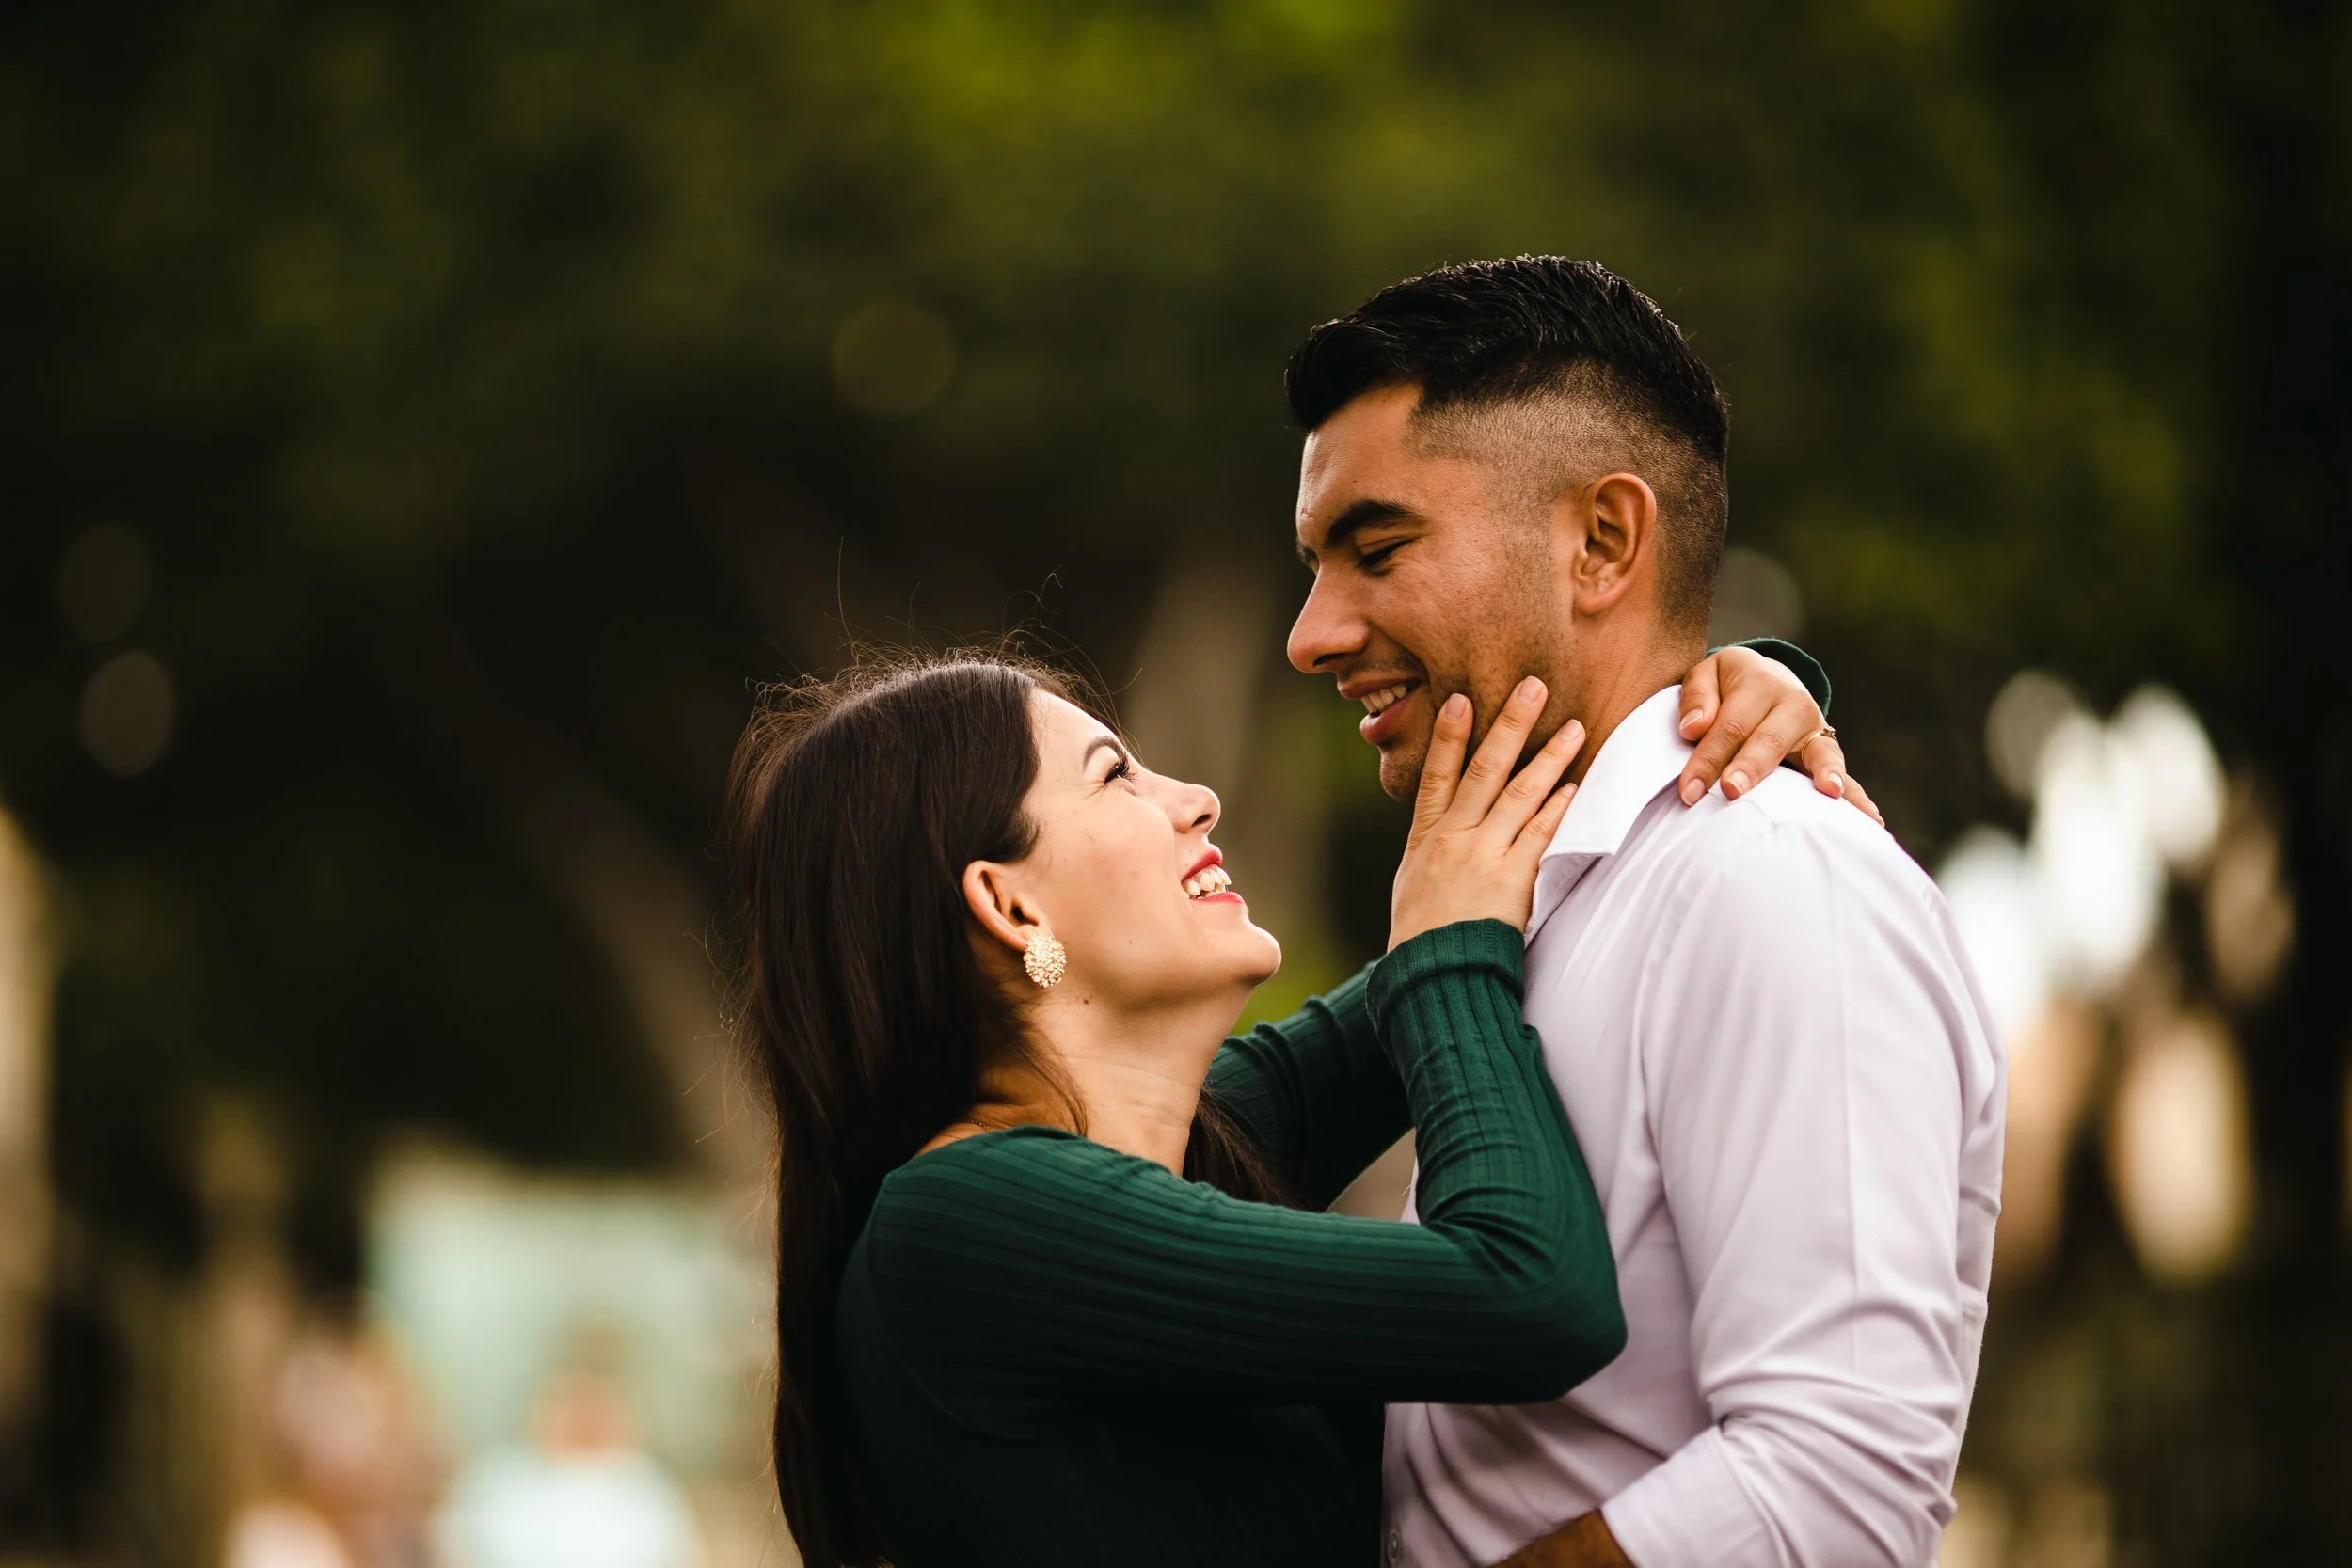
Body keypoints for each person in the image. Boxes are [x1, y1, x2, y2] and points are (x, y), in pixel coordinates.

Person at [720, 635, 1845, 1568]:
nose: (1195, 798)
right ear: (1008, 905)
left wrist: (1718, 707)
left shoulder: (1194, 1140)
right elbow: (1532, 1292)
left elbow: (1502, 882)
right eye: (1116, 775)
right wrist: (1453, 945)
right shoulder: (965, 1221)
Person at [1284, 256, 2006, 1568]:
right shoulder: (1516, 903)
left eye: (1377, 549)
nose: (1312, 633)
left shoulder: (1774, 882)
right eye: (1315, 564)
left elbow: (1835, 1484)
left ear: (1603, 541)